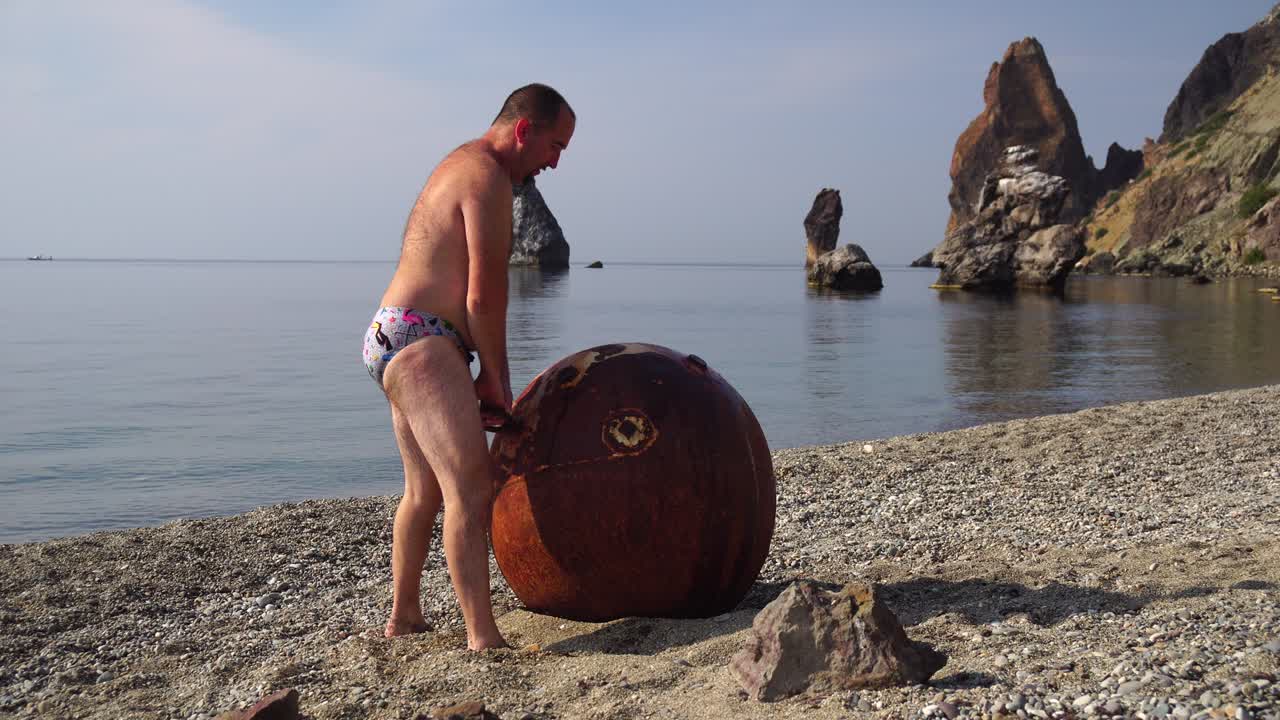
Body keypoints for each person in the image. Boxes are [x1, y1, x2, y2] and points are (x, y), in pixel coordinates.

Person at [361, 84, 575, 649]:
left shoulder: (460, 163)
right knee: (470, 491)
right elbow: (485, 295)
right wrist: (496, 379)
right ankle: (482, 635)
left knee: (422, 491)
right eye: (555, 145)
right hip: (425, 341)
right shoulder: (488, 178)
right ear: (523, 129)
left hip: (393, 332)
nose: (555, 161)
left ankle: (405, 615)